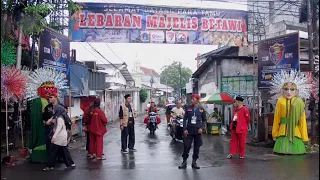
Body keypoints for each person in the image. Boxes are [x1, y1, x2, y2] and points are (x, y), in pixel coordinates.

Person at [270, 70, 310, 155]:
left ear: (297, 91)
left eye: (292, 89)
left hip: (296, 132)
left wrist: (304, 136)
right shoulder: (280, 101)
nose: (289, 92)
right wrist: (275, 133)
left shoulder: (299, 102)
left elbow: (302, 121)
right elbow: (276, 119)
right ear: (282, 91)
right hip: (282, 132)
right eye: (286, 89)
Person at [43, 105, 76, 171]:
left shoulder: (60, 118)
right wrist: (49, 122)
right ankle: (71, 164)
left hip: (59, 137)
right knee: (63, 151)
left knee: (52, 151)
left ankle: (50, 166)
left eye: (54, 109)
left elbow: (58, 128)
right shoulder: (56, 116)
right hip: (60, 137)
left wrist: (54, 137)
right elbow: (48, 122)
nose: (53, 110)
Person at [178, 94, 207, 169]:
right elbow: (184, 119)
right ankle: (184, 162)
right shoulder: (188, 108)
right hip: (189, 131)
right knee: (186, 146)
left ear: (197, 100)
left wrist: (202, 128)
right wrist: (184, 129)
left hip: (198, 131)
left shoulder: (201, 109)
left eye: (193, 99)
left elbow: (204, 120)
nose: (192, 100)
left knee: (196, 148)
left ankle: (194, 162)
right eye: (191, 99)